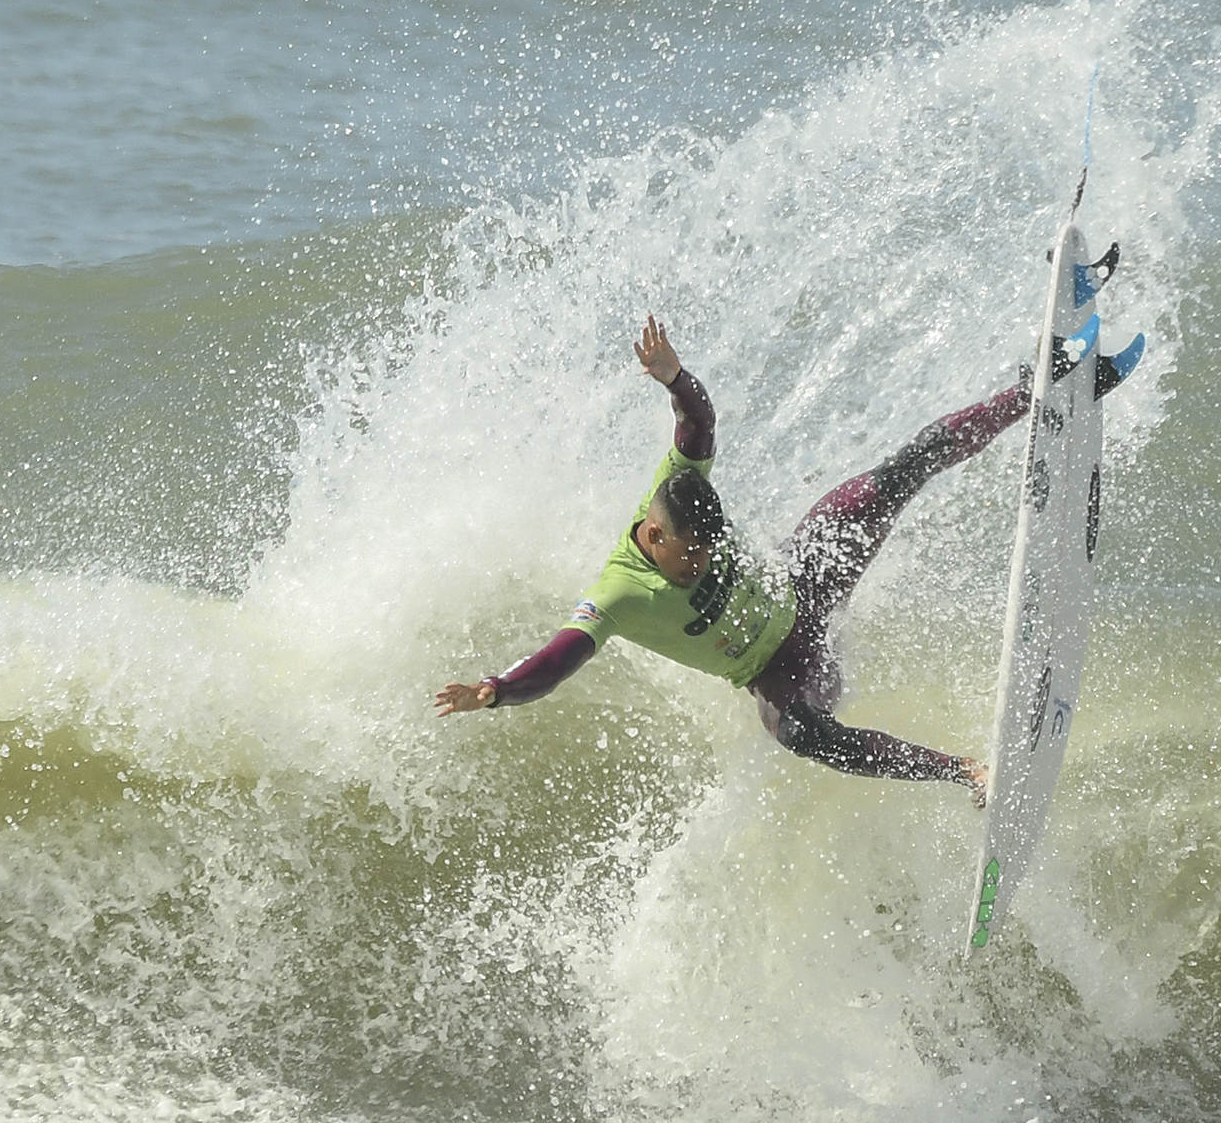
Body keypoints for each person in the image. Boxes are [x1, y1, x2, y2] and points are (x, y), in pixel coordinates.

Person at [434, 310, 1139, 802]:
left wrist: (676, 377)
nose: (704, 567)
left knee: (903, 469)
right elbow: (558, 659)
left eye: (710, 556)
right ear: (654, 539)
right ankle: (967, 772)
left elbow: (698, 422)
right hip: (780, 668)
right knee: (804, 735)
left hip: (805, 579)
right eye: (691, 561)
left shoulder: (680, 489)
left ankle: (1040, 385)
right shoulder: (618, 593)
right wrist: (496, 689)